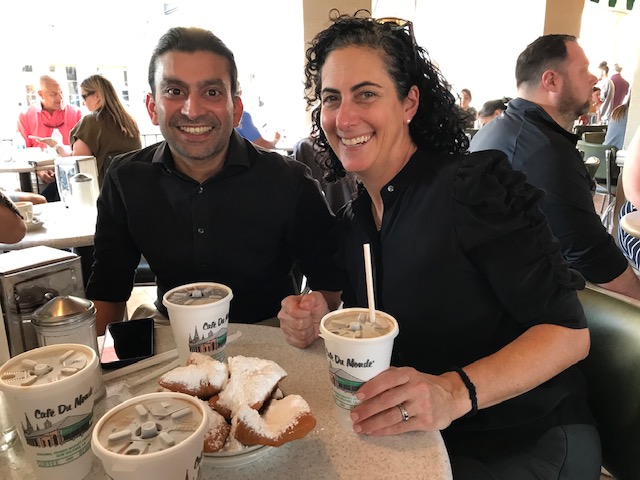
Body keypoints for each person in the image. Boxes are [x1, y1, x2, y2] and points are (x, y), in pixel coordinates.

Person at [279, 15, 600, 479]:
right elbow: (348, 302)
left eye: (366, 94)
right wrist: (313, 312)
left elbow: (569, 334)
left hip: (525, 438)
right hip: (423, 437)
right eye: (332, 98)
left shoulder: (472, 190)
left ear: (410, 102)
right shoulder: (354, 222)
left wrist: (452, 392)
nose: (344, 117)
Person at [85, 26, 342, 335]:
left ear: (236, 110)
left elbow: (329, 283)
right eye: (175, 91)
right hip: (170, 332)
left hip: (270, 334)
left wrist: (309, 313)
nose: (193, 111)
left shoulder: (290, 180)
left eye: (212, 92)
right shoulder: (124, 179)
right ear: (153, 108)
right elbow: (108, 290)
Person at [470, 34, 640, 302]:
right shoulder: (545, 152)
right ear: (551, 81)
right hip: (519, 309)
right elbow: (596, 259)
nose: (594, 78)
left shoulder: (498, 129)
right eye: (584, 70)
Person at [31, 74, 142, 187]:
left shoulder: (92, 122)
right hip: (132, 188)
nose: (83, 103)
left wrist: (56, 145)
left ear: (97, 96)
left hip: (103, 192)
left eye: (84, 97)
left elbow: (77, 161)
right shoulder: (130, 122)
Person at [17, 75, 83, 201]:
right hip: (36, 174)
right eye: (54, 94)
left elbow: (81, 150)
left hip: (70, 171)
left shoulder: (76, 113)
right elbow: (22, 151)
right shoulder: (25, 116)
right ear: (41, 94)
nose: (60, 98)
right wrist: (39, 171)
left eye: (61, 93)